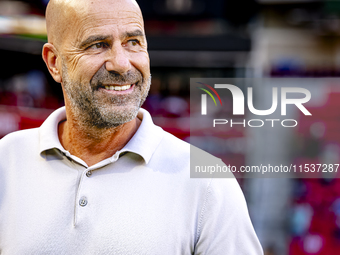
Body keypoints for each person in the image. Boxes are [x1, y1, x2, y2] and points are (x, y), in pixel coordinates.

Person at [0, 0, 263, 254]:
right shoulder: (6, 160)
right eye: (98, 45)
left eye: (133, 42)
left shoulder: (209, 183)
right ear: (54, 62)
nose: (122, 63)